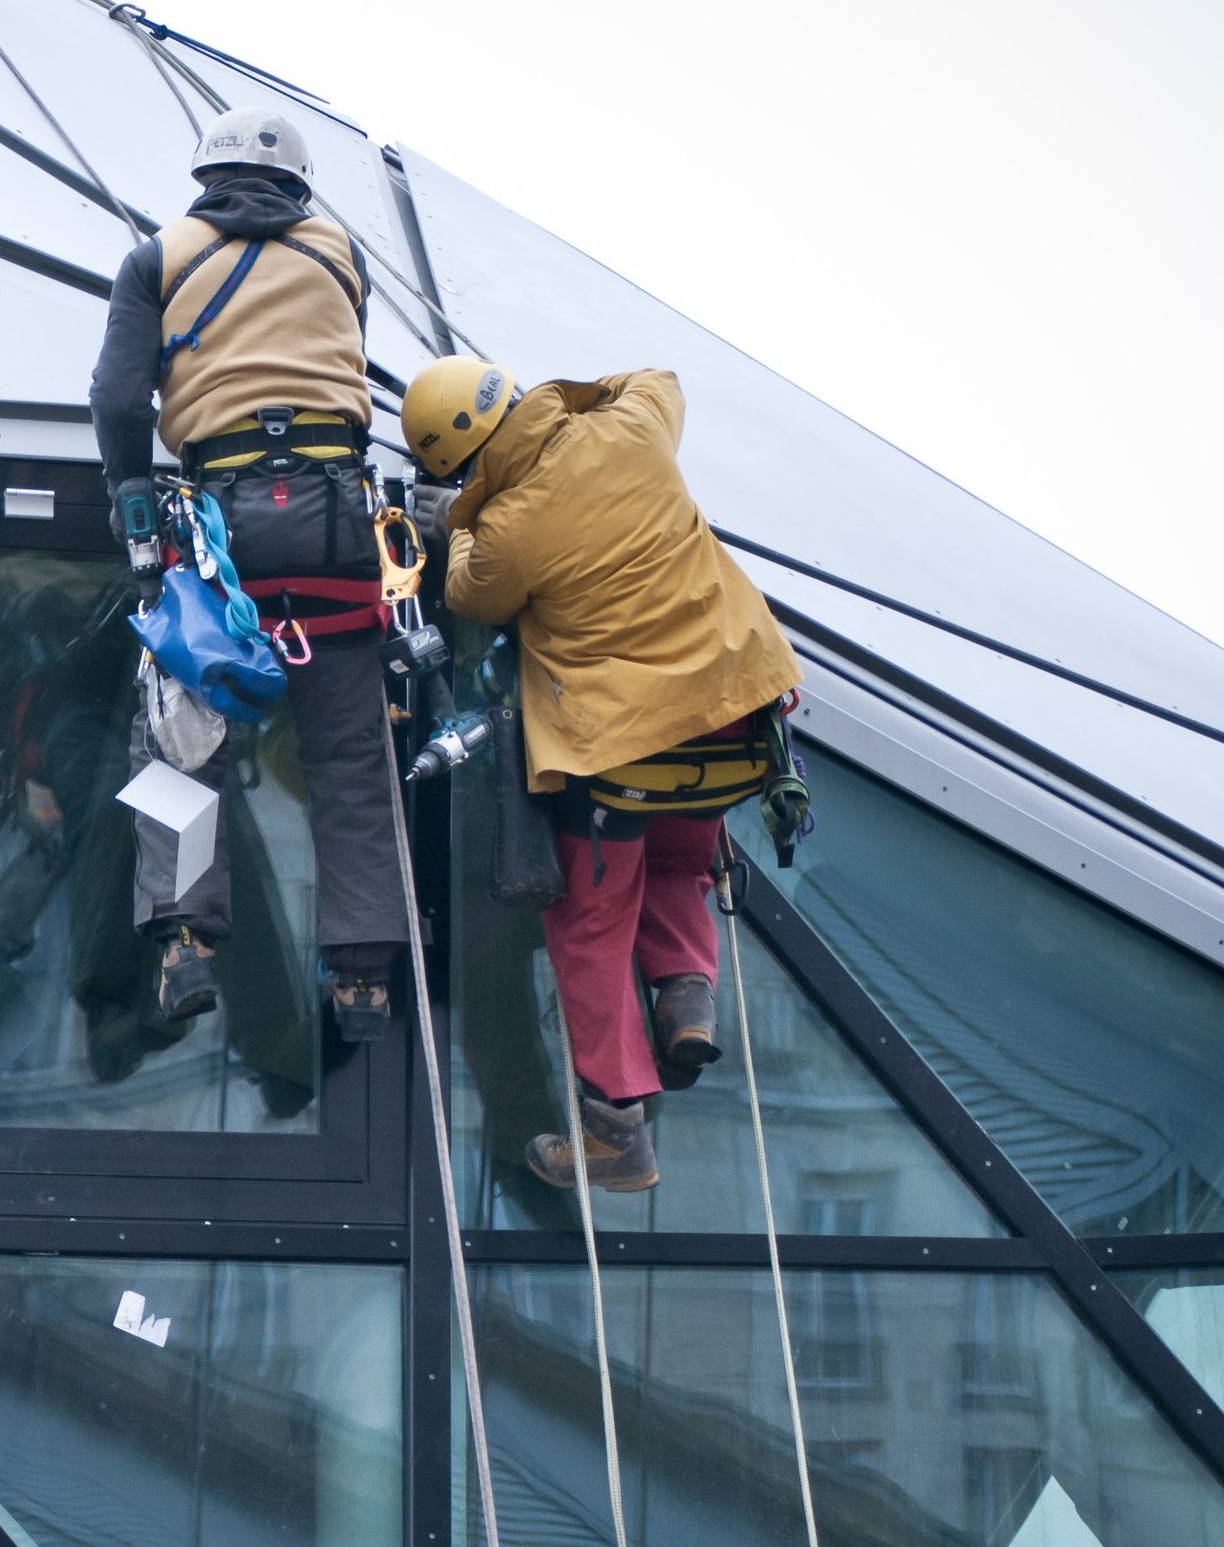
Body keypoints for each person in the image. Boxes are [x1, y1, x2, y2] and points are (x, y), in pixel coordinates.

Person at [410, 357, 802, 1190]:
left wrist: (462, 517)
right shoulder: (634, 429)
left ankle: (616, 1132)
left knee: (589, 925)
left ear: (463, 465)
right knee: (683, 860)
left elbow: (471, 592)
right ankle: (686, 998)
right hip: (732, 716)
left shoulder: (508, 530)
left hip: (623, 752)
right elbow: (661, 375)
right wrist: (563, 404)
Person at [89, 107, 406, 1043]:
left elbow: (115, 396)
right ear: (299, 186)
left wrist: (132, 499)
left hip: (222, 539)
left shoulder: (159, 257)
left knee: (180, 742)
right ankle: (361, 979)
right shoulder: (341, 256)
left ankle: (186, 940)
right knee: (349, 758)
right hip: (337, 532)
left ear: (203, 177)